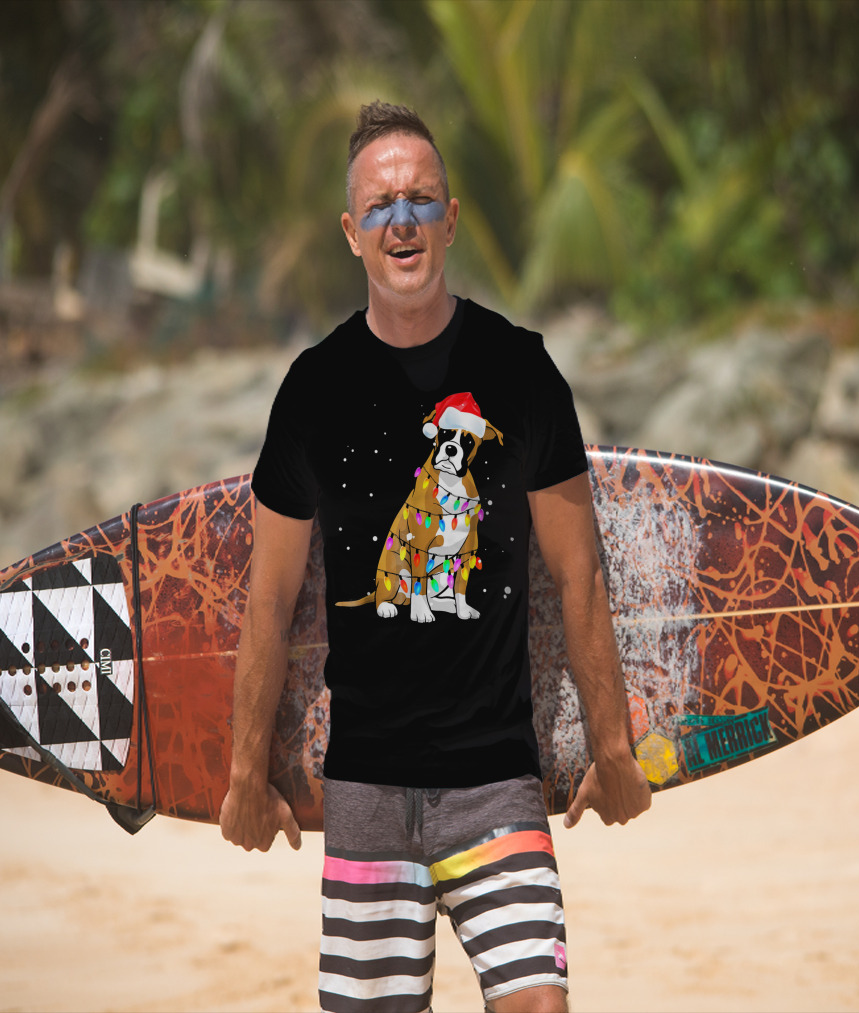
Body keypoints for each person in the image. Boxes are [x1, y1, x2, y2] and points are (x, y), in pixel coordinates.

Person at [220, 100, 651, 1013]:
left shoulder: (523, 372)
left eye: (421, 200)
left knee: (540, 1003)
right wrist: (242, 772)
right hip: (367, 787)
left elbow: (579, 574)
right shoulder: (312, 390)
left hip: (496, 779)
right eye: (380, 206)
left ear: (451, 219)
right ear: (351, 232)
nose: (402, 220)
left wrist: (612, 746)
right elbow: (269, 601)